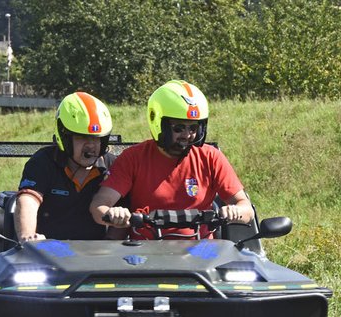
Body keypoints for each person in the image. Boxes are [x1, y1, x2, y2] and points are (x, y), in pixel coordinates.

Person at [90, 80, 253, 239]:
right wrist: (114, 214)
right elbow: (98, 206)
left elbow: (246, 209)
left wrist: (235, 211)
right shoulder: (133, 158)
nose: (187, 135)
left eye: (193, 128)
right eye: (179, 128)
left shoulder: (210, 157)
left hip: (201, 254)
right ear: (160, 124)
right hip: (147, 253)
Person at [14, 91, 117, 241]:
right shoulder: (43, 162)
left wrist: (111, 247)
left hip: (96, 258)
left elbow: (125, 214)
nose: (91, 146)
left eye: (97, 139)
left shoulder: (112, 165)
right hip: (50, 254)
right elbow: (28, 200)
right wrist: (28, 237)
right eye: (82, 138)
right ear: (65, 138)